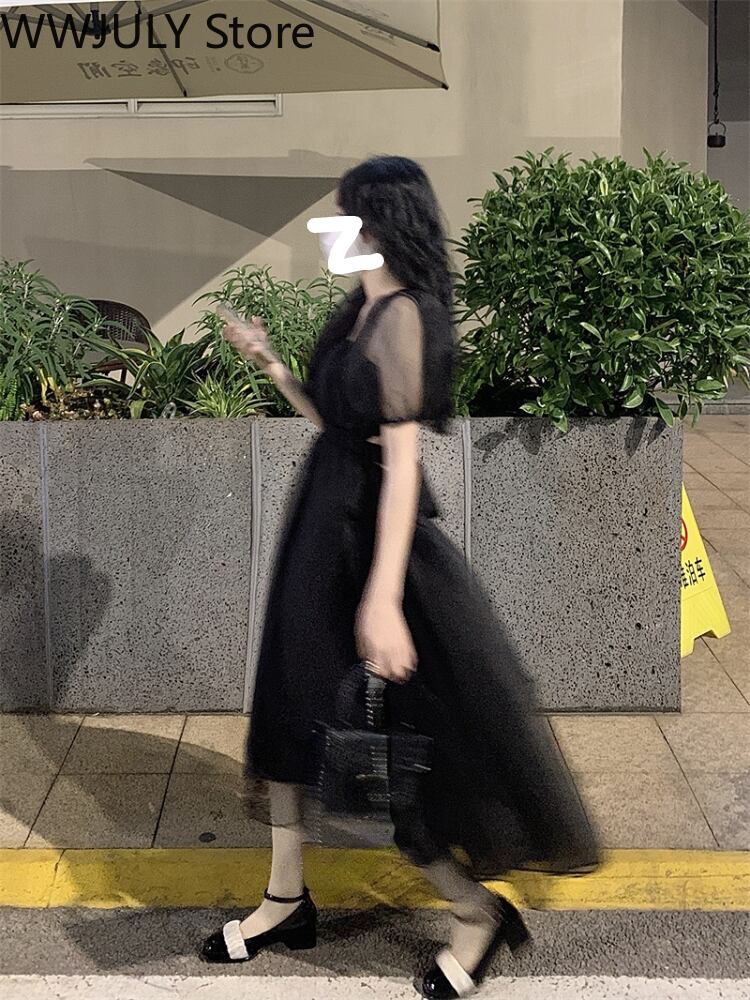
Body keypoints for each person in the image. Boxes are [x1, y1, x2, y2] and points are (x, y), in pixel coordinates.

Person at [201, 155, 600, 999]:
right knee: (289, 711)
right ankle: (284, 899)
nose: (330, 230)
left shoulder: (407, 316)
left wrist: (383, 599)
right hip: (321, 530)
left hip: (369, 546)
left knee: (389, 744)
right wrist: (272, 364)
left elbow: (402, 467)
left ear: (379, 224)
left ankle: (475, 910)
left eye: (343, 216)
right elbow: (336, 420)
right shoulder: (359, 307)